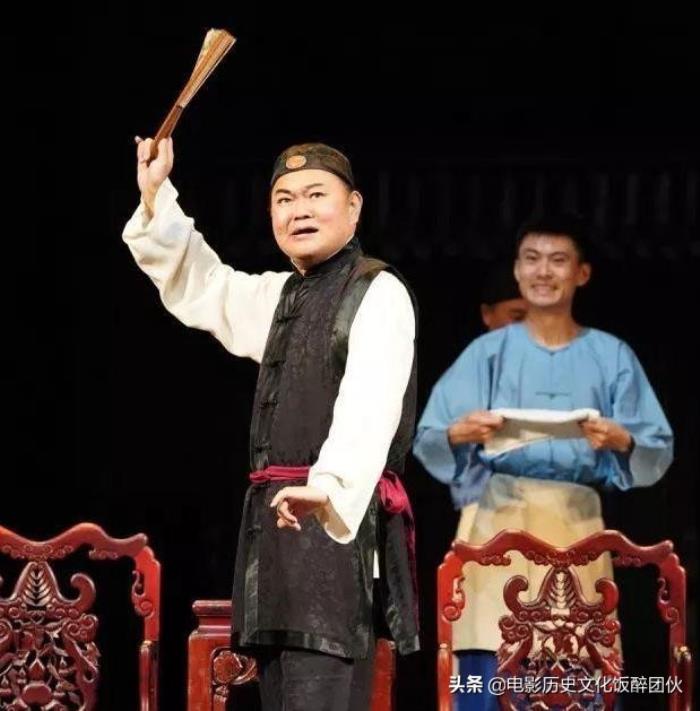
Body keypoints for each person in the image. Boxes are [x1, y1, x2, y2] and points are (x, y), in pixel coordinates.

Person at [123, 137, 419, 711]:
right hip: (276, 534)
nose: (298, 210)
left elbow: (371, 402)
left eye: (315, 195)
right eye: (284, 199)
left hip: (335, 527)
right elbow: (206, 284)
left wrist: (328, 486)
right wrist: (157, 193)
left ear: (353, 207)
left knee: (323, 692)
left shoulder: (377, 291)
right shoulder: (280, 296)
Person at [413, 214, 673, 709]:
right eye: (532, 259)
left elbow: (654, 444)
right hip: (499, 518)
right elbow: (430, 436)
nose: (543, 271)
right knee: (490, 653)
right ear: (517, 270)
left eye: (558, 260)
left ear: (581, 273)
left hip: (576, 522)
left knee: (578, 657)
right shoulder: (486, 353)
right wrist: (459, 432)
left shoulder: (611, 355)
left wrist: (622, 439)